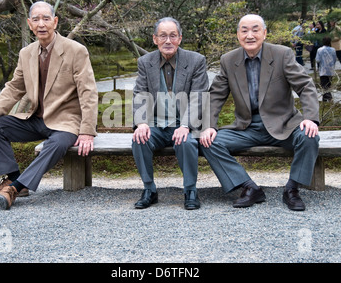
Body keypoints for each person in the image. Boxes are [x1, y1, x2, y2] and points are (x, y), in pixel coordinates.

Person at [0, 1, 98, 209]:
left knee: (57, 144)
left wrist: (87, 131)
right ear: (30, 24)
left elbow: (88, 92)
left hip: (66, 122)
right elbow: (14, 87)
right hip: (35, 119)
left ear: (55, 21)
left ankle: (15, 188)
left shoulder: (76, 50)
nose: (41, 24)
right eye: (36, 19)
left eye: (46, 18)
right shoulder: (27, 53)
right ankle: (14, 177)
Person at [199, 14, 320, 211]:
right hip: (247, 127)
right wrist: (208, 126)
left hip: (284, 125)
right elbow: (215, 96)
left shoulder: (282, 54)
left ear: (264, 33)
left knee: (309, 136)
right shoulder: (228, 60)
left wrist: (310, 119)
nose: (250, 35)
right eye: (244, 30)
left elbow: (306, 86)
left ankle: (292, 189)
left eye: (255, 30)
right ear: (238, 35)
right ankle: (249, 187)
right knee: (208, 142)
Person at [132, 17, 209, 210]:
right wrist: (141, 123)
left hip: (182, 124)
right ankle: (149, 189)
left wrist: (185, 125)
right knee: (139, 139)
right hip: (156, 124)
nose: (168, 41)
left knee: (187, 142)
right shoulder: (145, 62)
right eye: (163, 36)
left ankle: (190, 190)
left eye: (173, 36)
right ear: (155, 39)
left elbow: (198, 97)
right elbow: (140, 93)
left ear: (180, 38)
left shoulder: (196, 61)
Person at [316, 37, 337, 102]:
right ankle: (325, 99)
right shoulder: (333, 50)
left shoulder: (320, 50)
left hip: (323, 69)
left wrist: (317, 68)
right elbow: (334, 59)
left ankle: (329, 97)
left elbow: (317, 59)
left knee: (324, 85)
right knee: (328, 84)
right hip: (331, 69)